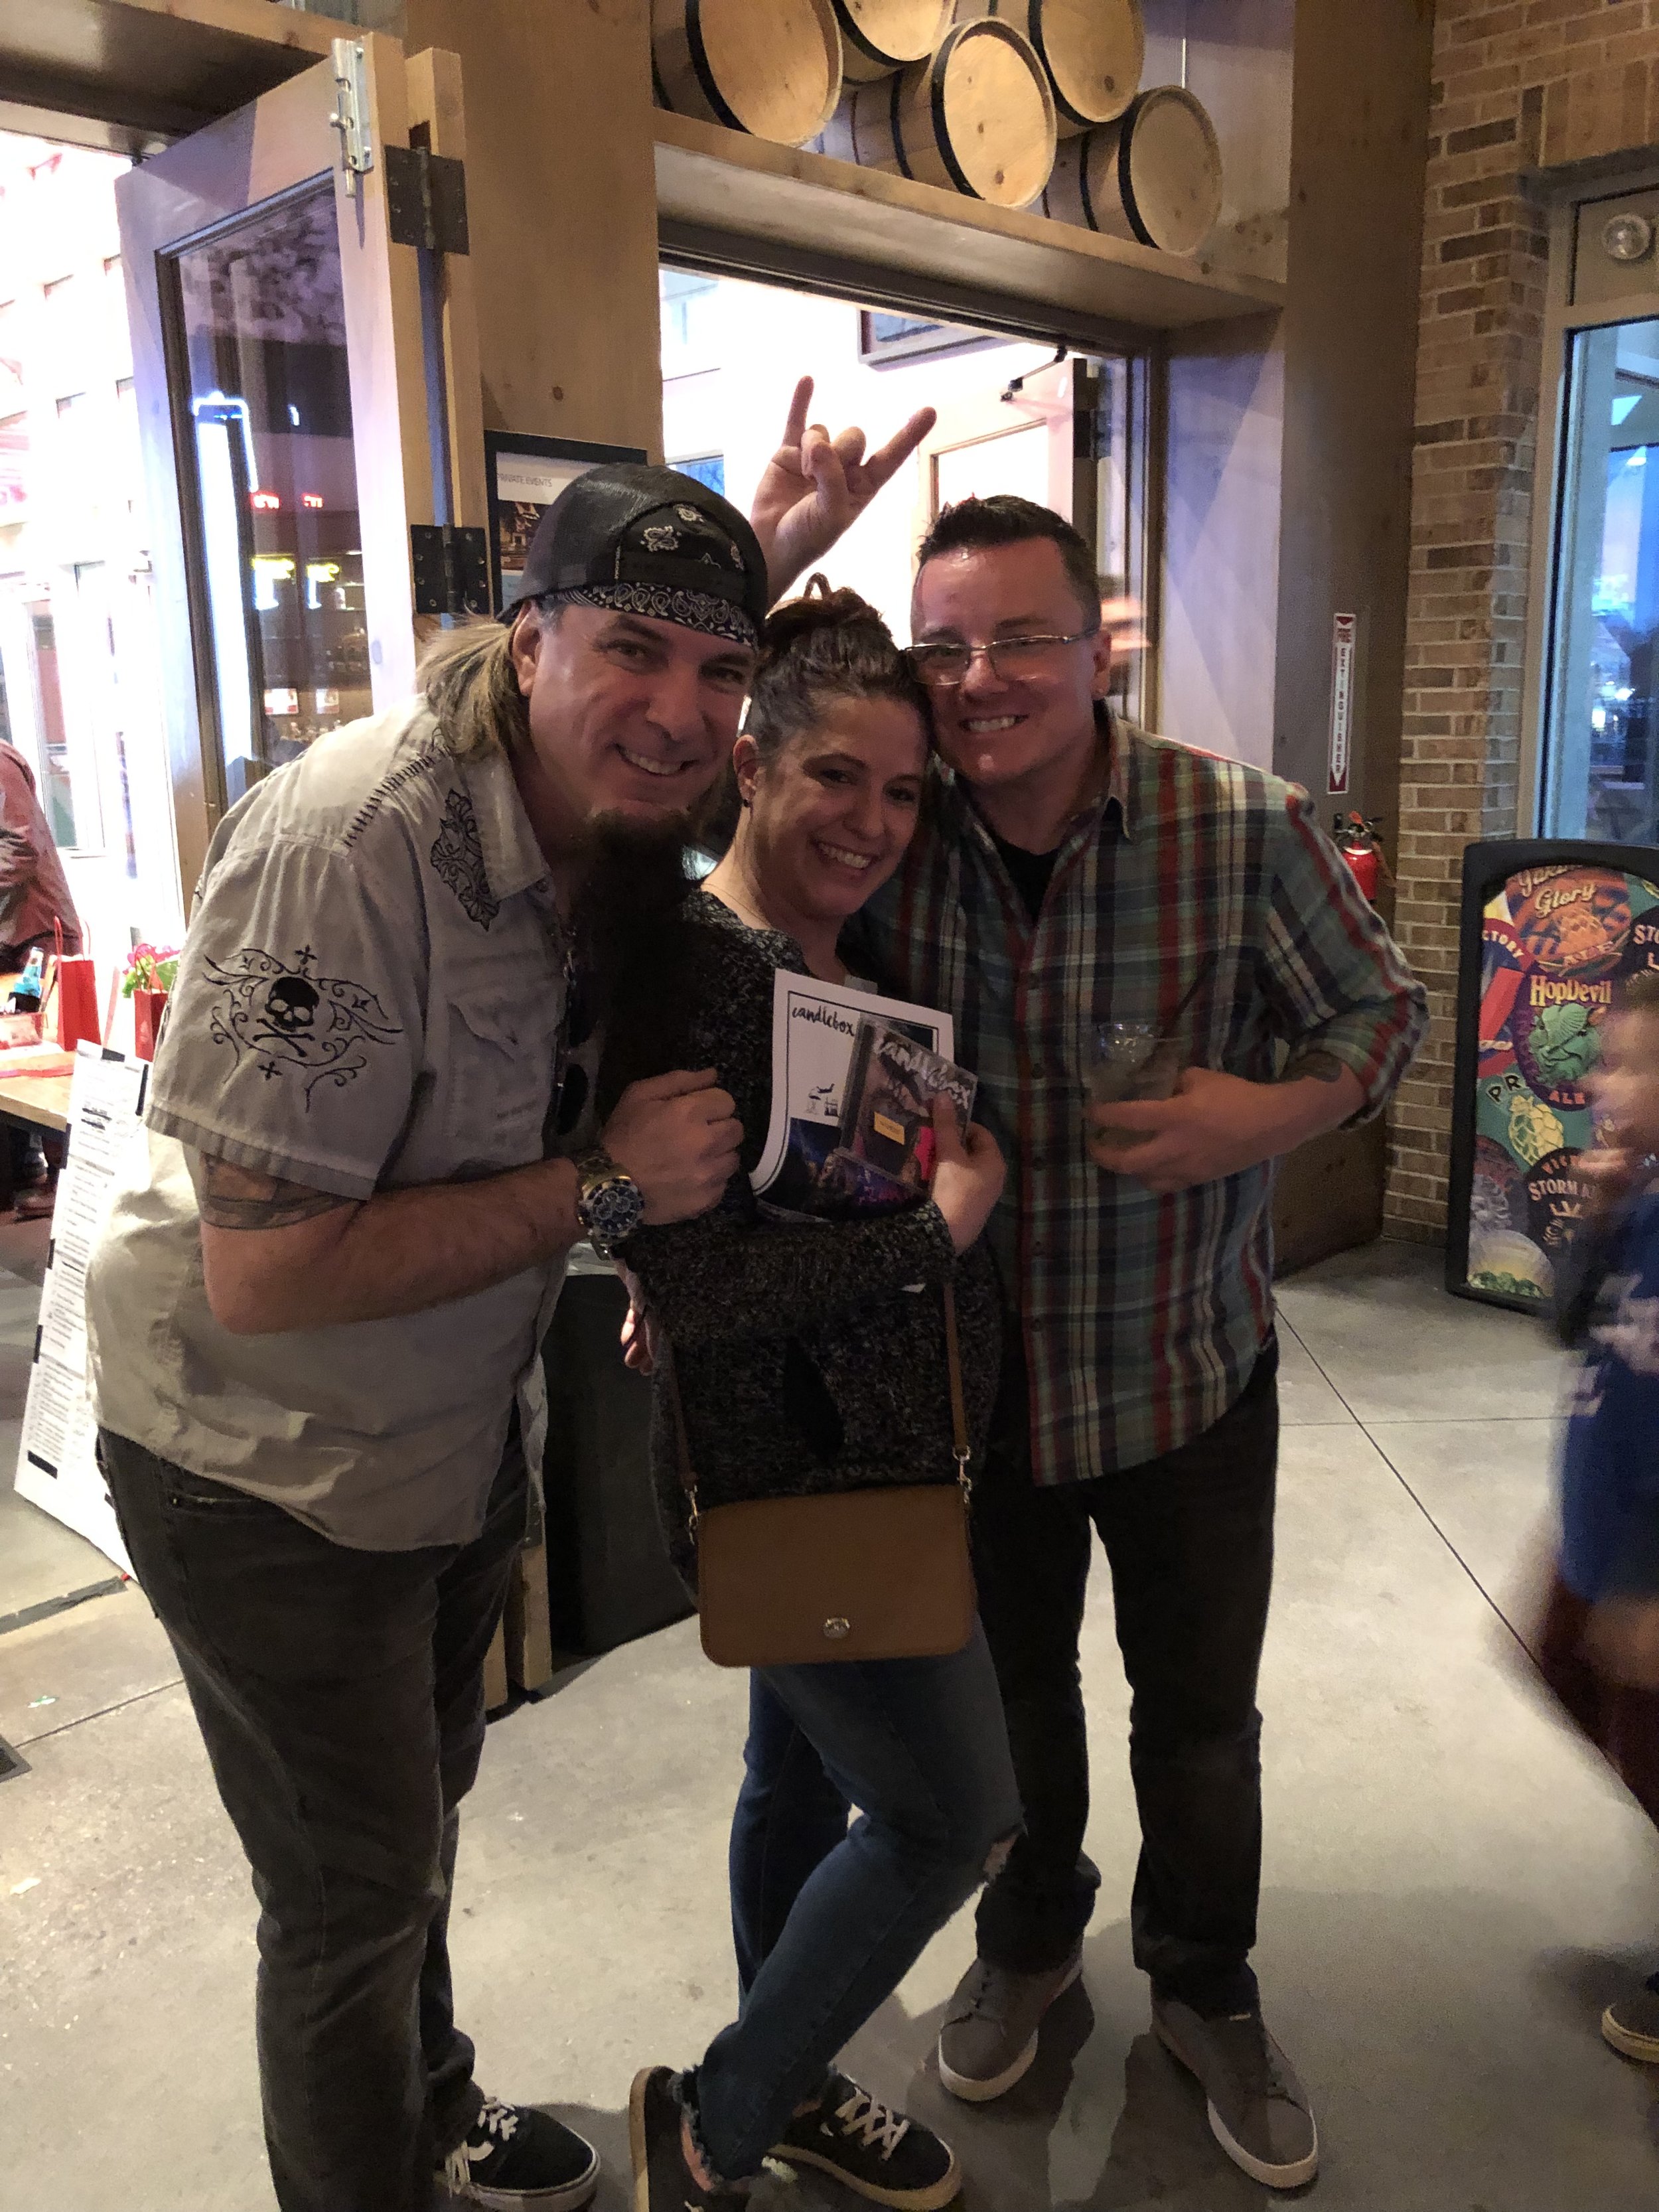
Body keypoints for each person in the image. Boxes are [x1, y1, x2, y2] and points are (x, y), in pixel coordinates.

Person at [82, 384, 934, 2212]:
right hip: (260, 1464)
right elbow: (265, 1265)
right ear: (525, 633)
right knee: (348, 1896)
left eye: (723, 678)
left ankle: (432, 2102)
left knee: (418, 1829)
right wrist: (609, 1189)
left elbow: (654, 701)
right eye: (633, 651)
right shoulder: (349, 848)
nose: (685, 714)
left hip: (450, 1435)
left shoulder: (604, 800)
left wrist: (752, 567)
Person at [830, 495, 1428, 2191]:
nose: (981, 678)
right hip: (973, 1391)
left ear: (1102, 648)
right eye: (944, 645)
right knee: (1012, 1708)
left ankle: (1205, 1982)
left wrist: (1275, 1115)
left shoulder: (1237, 829)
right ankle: (1029, 1934)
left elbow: (1381, 1013)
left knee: (1202, 1726)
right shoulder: (894, 828)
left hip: (1184, 1370)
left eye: (1022, 636)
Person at [609, 585, 1020, 2211]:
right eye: (837, 777)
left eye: (905, 789)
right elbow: (703, 1298)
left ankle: (796, 2075)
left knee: (794, 1784)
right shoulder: (711, 980)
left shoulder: (841, 960)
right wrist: (940, 1228)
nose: (874, 819)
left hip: (877, 1472)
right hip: (796, 1493)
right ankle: (723, 2108)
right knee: (946, 1817)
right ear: (755, 765)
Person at [1534, 970, 1659, 2065]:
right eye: (1609, 1059)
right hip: (1597, 1528)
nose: (1609, 1084)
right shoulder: (1644, 1197)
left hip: (1647, 1565)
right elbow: (1566, 1326)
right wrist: (1601, 1218)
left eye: (1637, 1064)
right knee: (1557, 1661)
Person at [0, 737, 82, 1216]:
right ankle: (28, 1167)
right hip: (13, 936)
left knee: (49, 1055)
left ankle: (63, 1180)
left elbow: (22, 842)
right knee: (17, 1054)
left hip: (37, 935)